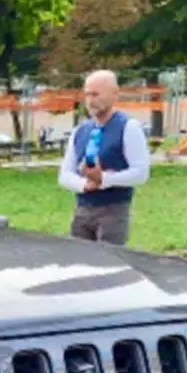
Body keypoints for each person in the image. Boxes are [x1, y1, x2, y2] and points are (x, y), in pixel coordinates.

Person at [58, 70, 151, 246]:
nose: (90, 100)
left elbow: (141, 173)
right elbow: (64, 174)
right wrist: (84, 185)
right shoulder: (80, 131)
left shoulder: (128, 128)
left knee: (110, 262)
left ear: (114, 95)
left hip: (113, 210)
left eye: (96, 94)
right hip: (82, 210)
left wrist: (104, 179)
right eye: (87, 94)